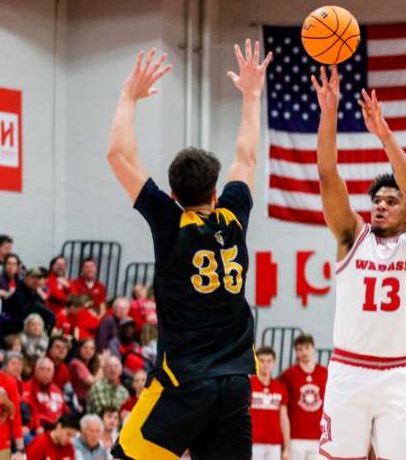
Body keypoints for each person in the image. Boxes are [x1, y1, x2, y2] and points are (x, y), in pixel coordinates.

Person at [107, 42, 270, 460]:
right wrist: (252, 96)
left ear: (174, 193)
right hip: (235, 382)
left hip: (185, 382)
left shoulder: (170, 222)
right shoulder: (233, 217)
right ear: (216, 192)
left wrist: (129, 95)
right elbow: (246, 157)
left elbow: (119, 155)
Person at [311, 68, 406, 459]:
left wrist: (384, 134)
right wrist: (329, 113)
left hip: (398, 373)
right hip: (348, 369)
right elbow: (327, 174)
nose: (381, 205)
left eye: (391, 201)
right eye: (377, 200)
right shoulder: (352, 236)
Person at [279, 334, 327, 460]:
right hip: (295, 438)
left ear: (313, 349)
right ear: (296, 352)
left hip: (319, 437)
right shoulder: (287, 375)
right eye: (300, 349)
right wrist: (285, 444)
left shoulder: (326, 373)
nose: (304, 352)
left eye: (307, 347)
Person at [250, 347, 291, 460]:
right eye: (262, 360)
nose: (265, 364)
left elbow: (284, 419)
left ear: (274, 362)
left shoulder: (280, 388)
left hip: (274, 444)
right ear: (257, 362)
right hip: (253, 442)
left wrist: (287, 448)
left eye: (269, 361)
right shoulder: (248, 385)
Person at [3, 267, 55, 336]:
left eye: (38, 278)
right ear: (26, 278)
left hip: (32, 329)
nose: (36, 281)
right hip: (14, 331)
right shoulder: (19, 293)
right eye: (33, 277)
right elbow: (21, 316)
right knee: (36, 306)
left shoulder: (37, 295)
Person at [24, 357, 68, 433]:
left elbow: (65, 410)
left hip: (59, 428)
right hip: (40, 428)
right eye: (42, 369)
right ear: (35, 371)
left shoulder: (57, 389)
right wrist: (38, 426)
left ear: (53, 373)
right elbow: (32, 412)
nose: (45, 372)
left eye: (48, 370)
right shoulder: (28, 388)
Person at [68, 338, 102, 406]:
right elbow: (92, 382)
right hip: (79, 402)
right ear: (79, 349)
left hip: (90, 400)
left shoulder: (91, 365)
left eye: (91, 348)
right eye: (85, 347)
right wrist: (102, 365)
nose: (88, 351)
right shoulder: (75, 363)